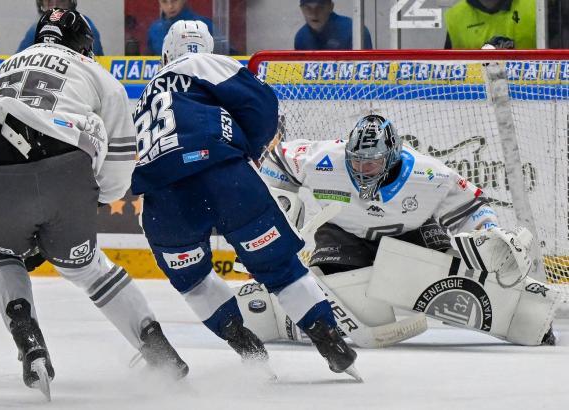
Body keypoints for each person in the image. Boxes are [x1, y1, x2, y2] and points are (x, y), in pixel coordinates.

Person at [0, 8, 187, 400]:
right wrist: (72, 209)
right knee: (90, 270)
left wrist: (24, 227)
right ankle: (156, 346)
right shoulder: (98, 74)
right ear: (83, 45)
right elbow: (117, 174)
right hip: (63, 167)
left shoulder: (5, 67)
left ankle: (26, 335)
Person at [132, 20, 360, 380]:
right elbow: (263, 106)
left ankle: (242, 342)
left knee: (193, 280)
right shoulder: (208, 62)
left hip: (162, 196)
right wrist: (247, 150)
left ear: (165, 54)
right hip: (224, 175)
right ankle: (328, 337)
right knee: (278, 266)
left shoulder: (146, 96)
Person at [248, 114, 559, 347]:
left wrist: (488, 232)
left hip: (411, 233)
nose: (361, 170)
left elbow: (471, 206)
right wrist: (278, 204)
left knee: (454, 283)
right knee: (339, 292)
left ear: (392, 155)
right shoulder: (324, 158)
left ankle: (527, 316)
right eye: (356, 162)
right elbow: (277, 158)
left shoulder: (429, 175)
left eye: (370, 164)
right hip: (343, 233)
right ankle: (268, 314)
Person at [17, 0, 104, 55]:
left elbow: (90, 61)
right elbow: (20, 59)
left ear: (71, 2)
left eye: (61, 0)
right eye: (49, 1)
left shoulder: (83, 24)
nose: (55, 6)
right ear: (41, 3)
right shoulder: (35, 28)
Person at [444, 0, 536, 49]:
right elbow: (448, 72)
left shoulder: (537, 6)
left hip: (532, 83)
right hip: (476, 83)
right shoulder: (456, 16)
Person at [294, 0, 372, 50]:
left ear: (331, 7)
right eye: (308, 8)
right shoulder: (301, 37)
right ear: (301, 9)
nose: (314, 14)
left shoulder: (354, 32)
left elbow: (366, 69)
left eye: (320, 7)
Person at [146, 0, 213, 56]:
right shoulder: (154, 29)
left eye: (174, 0)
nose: (170, 6)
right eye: (164, 1)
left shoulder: (204, 25)